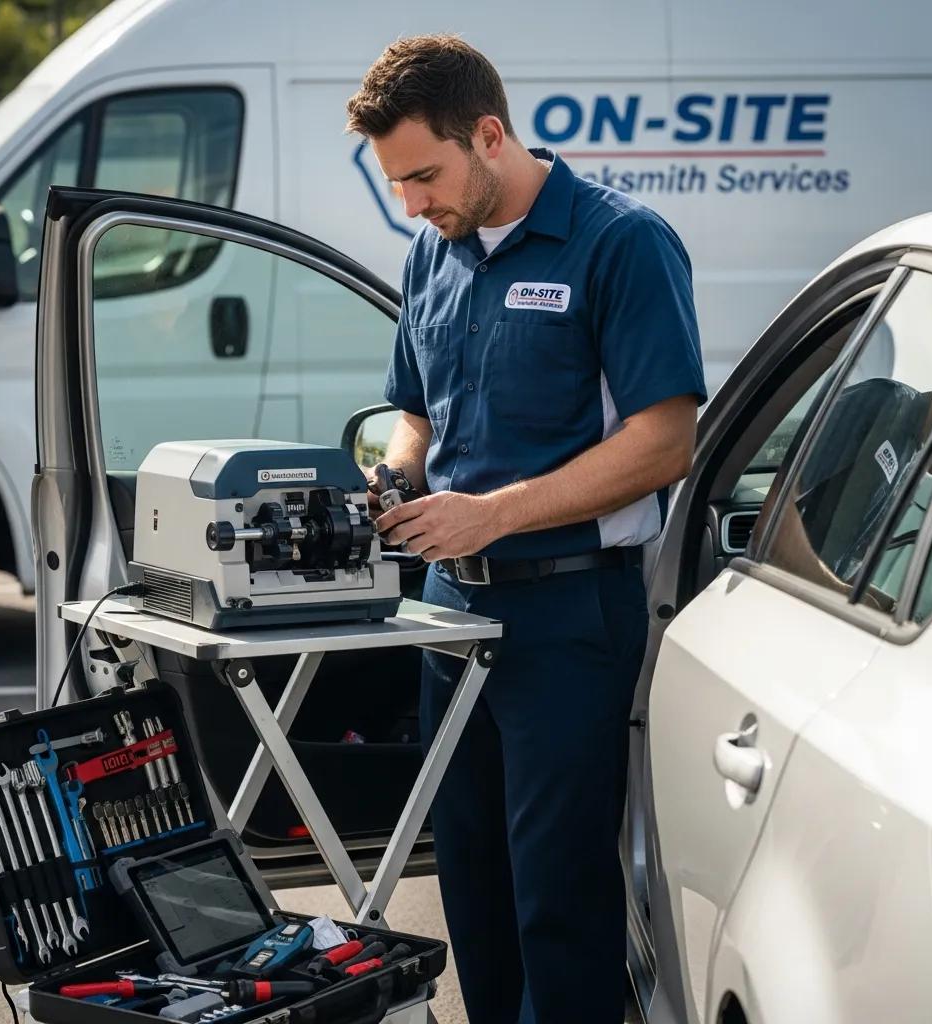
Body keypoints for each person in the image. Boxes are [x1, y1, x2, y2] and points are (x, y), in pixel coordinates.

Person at [346, 35, 706, 1024]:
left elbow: (663, 440)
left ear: (490, 134)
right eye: (396, 183)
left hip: (569, 613)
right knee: (473, 885)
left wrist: (491, 513)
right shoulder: (431, 249)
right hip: (446, 614)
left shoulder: (619, 242)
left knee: (559, 896)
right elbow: (415, 412)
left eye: (423, 174)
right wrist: (390, 474)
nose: (411, 203)